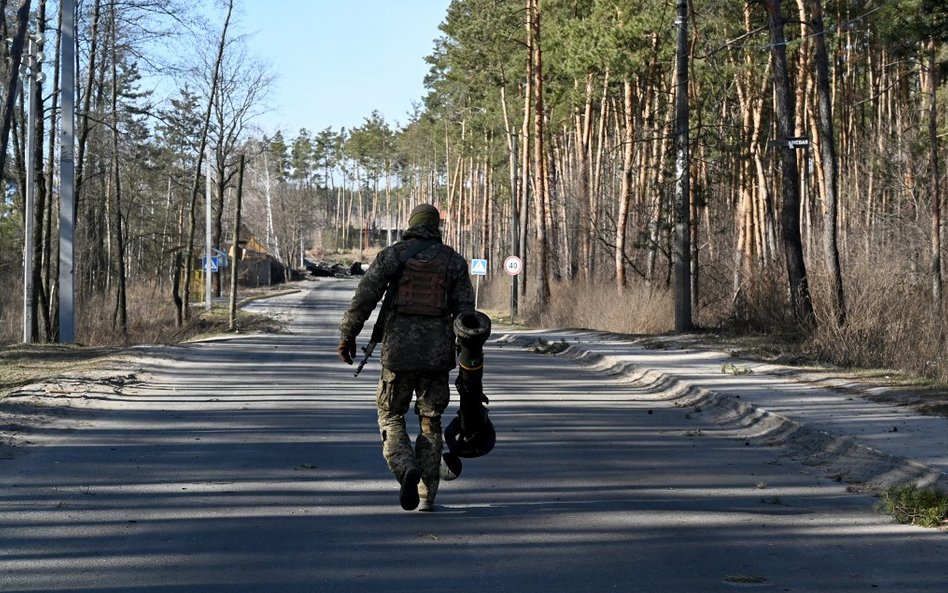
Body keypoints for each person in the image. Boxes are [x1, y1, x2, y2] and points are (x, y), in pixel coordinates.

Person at [338, 203, 475, 511]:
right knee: (430, 422)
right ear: (436, 226)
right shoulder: (453, 262)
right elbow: (466, 315)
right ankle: (427, 496)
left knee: (390, 415)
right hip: (437, 357)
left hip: (397, 354)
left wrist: (348, 334)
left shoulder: (393, 256)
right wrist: (469, 361)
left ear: (411, 224)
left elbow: (365, 297)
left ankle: (405, 469)